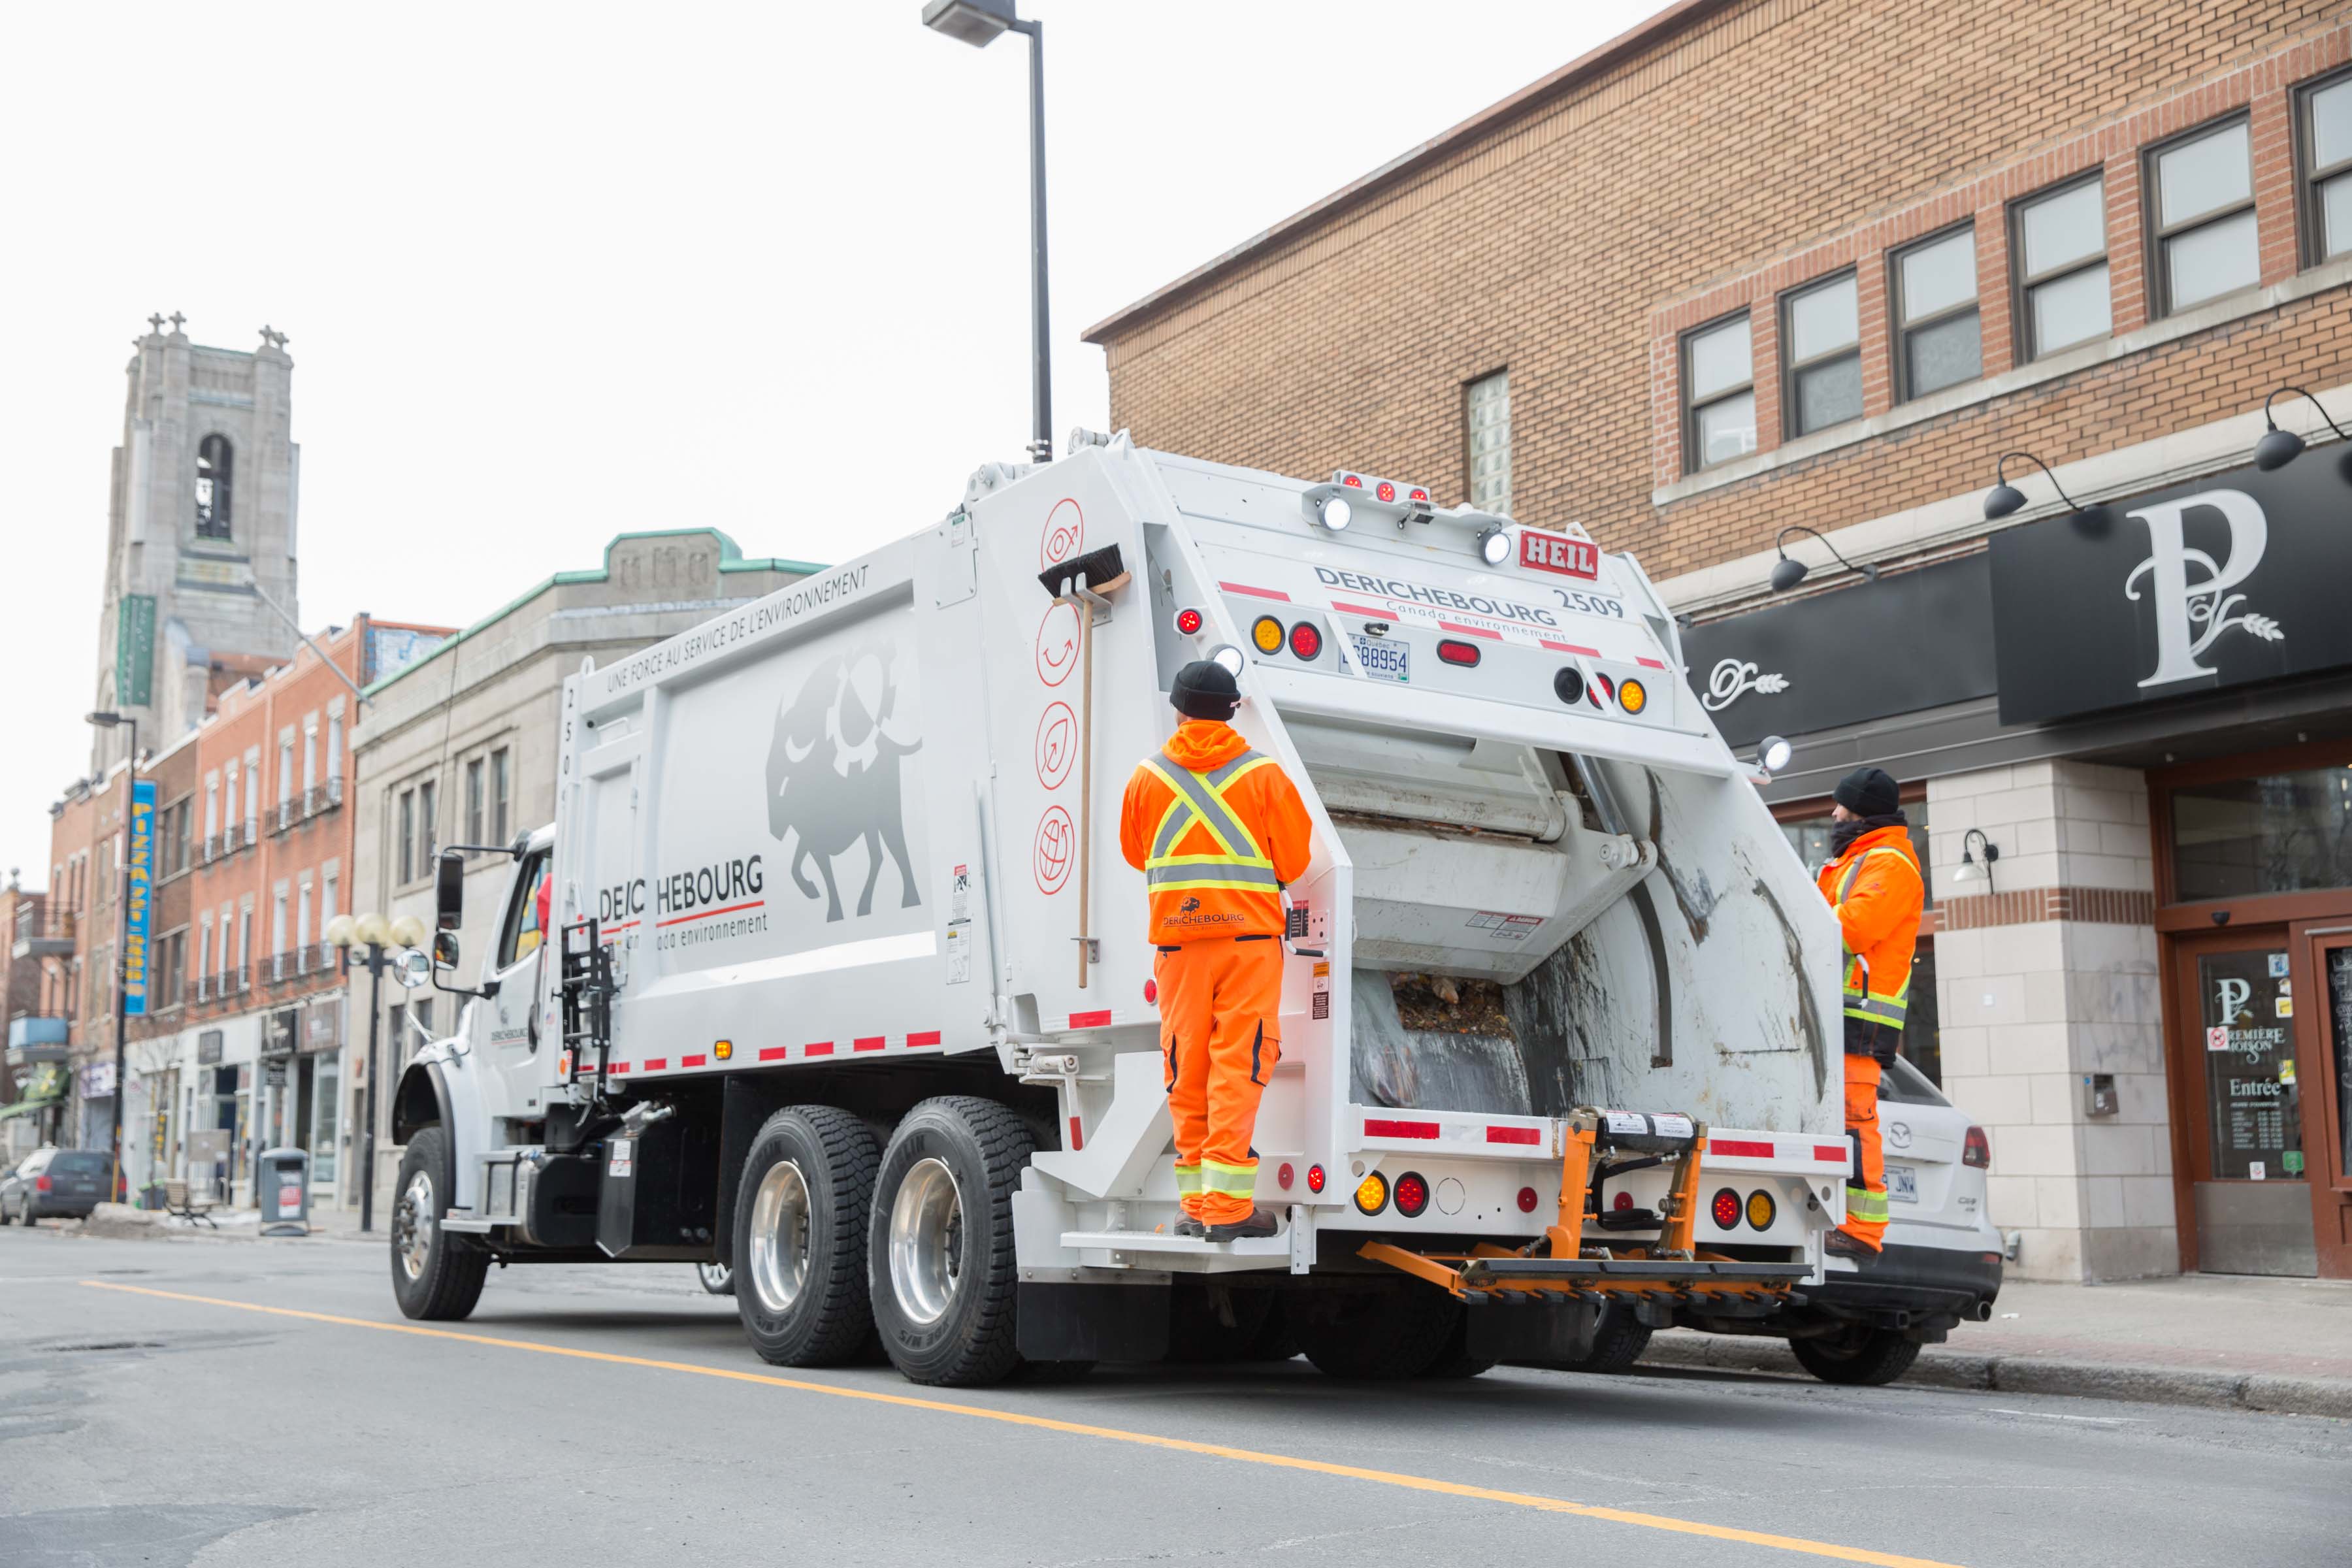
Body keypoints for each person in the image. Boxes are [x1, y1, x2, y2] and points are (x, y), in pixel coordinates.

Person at [1119, 659, 1312, 1243]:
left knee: (1187, 1068)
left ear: (1178, 709)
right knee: (1239, 1065)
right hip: (1249, 946)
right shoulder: (1265, 776)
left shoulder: (1146, 779)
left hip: (1179, 947)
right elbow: (1296, 863)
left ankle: (1196, 1206)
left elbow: (1136, 854)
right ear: (1233, 712)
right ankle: (1226, 1211)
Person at [1813, 765, 1923, 1259]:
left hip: (1859, 1018)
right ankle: (1845, 1219)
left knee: (1856, 1119)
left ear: (1860, 812)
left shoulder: (1891, 864)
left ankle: (1862, 1230)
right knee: (1839, 1118)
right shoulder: (1854, 862)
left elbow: (1850, 929)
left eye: (1841, 806)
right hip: (1833, 1013)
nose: (1833, 814)